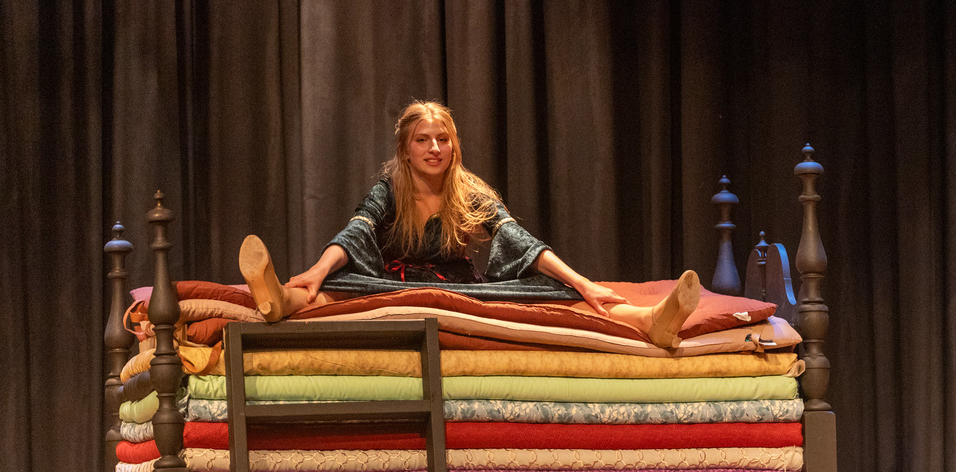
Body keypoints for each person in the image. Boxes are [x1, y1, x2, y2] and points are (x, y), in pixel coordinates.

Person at [239, 100, 700, 348]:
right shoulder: (389, 188)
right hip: (390, 285)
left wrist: (584, 282)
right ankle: (276, 296)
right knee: (332, 285)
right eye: (423, 140)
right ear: (406, 149)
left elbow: (515, 238)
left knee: (558, 294)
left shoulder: (468, 189)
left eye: (443, 139)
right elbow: (356, 231)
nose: (434, 147)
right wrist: (318, 270)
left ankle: (648, 319)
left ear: (454, 146)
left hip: (458, 287)